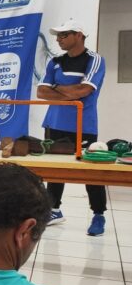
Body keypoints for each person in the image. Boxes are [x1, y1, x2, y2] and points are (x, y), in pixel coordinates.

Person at [36, 18, 108, 236]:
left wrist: (56, 88)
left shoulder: (95, 60)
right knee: (55, 170)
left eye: (64, 35)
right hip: (54, 123)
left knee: (90, 172)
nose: (59, 39)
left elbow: (85, 91)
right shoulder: (55, 61)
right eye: (57, 35)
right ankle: (54, 210)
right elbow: (41, 93)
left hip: (82, 125)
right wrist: (69, 91)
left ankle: (98, 215)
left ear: (79, 35)